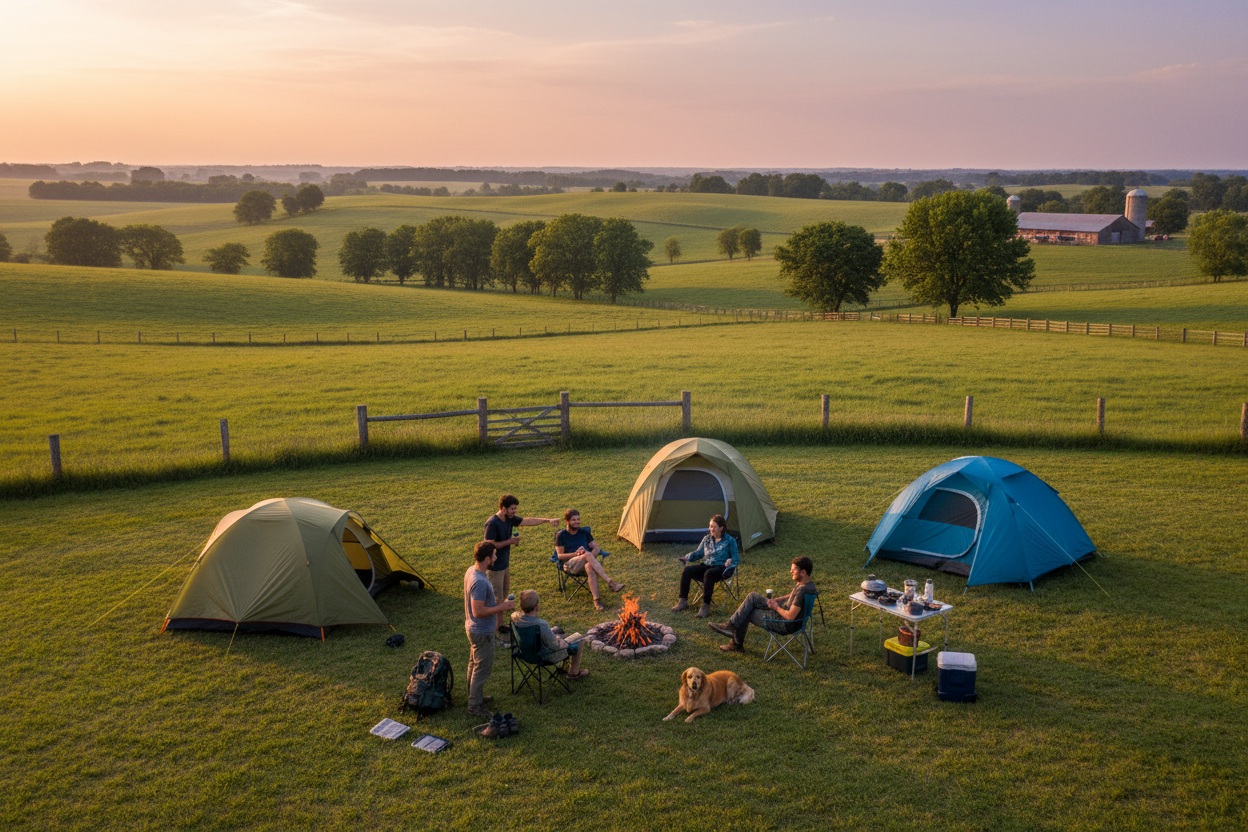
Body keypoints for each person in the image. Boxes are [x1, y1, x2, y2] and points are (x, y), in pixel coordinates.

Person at [484, 494, 559, 644]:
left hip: (504, 564)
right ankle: (494, 629)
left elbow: (526, 521)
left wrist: (547, 520)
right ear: (503, 508)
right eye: (512, 509)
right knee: (497, 598)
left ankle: (500, 625)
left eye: (515, 509)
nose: (514, 512)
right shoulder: (492, 523)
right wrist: (510, 541)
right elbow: (489, 545)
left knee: (503, 595)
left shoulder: (510, 518)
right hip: (495, 567)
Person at [709, 556, 816, 653]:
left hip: (784, 624)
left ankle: (734, 640)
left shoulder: (802, 591)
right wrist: (777, 600)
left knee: (747, 611)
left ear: (803, 572)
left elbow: (790, 616)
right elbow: (792, 595)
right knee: (752, 598)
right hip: (796, 622)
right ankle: (731, 629)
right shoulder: (808, 585)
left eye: (793, 569)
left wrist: (776, 607)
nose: (790, 571)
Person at [465, 541, 516, 718]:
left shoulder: (472, 570)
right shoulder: (478, 581)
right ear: (487, 558)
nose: (496, 557)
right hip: (481, 631)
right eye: (494, 555)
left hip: (474, 629)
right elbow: (478, 611)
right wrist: (502, 607)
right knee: (482, 669)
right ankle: (475, 706)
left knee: (474, 664)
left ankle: (474, 695)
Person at [671, 514, 740, 619]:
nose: (711, 529)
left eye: (714, 527)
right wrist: (687, 557)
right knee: (687, 570)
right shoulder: (707, 539)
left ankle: (705, 606)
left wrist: (730, 561)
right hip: (706, 565)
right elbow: (698, 553)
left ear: (721, 528)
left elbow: (736, 558)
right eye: (710, 526)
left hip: (722, 569)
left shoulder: (730, 541)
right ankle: (683, 601)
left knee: (709, 573)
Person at [510, 589, 588, 680]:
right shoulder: (541, 624)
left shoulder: (514, 617)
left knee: (558, 630)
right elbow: (555, 646)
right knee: (578, 638)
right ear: (536, 606)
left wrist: (556, 636)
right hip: (545, 656)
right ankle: (573, 674)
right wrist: (561, 641)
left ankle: (564, 668)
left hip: (525, 653)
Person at [555, 508, 624, 611]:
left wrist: (589, 556)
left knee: (589, 566)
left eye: (578, 519)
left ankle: (597, 600)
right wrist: (577, 554)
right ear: (567, 521)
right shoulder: (561, 535)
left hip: (585, 562)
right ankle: (609, 582)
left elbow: (596, 548)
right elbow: (560, 556)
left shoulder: (584, 532)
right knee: (587, 555)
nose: (577, 522)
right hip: (569, 565)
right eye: (574, 520)